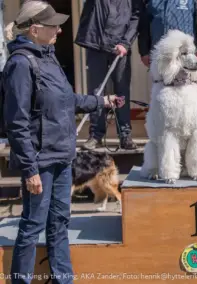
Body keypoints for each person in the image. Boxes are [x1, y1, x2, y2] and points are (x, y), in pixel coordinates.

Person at [2, 1, 124, 283]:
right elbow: (17, 122)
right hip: (40, 163)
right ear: (34, 29)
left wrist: (101, 102)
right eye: (53, 25)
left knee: (59, 223)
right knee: (32, 226)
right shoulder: (20, 64)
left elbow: (67, 101)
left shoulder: (49, 57)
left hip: (62, 156)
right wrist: (30, 169)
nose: (59, 29)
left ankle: (63, 280)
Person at [74, 0, 142, 150]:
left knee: (122, 91)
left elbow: (136, 16)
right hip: (96, 44)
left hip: (120, 46)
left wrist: (126, 42)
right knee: (96, 92)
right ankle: (96, 135)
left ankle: (125, 135)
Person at [137, 0, 197, 67]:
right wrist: (144, 51)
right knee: (159, 83)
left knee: (186, 83)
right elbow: (144, 26)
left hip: (185, 56)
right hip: (160, 56)